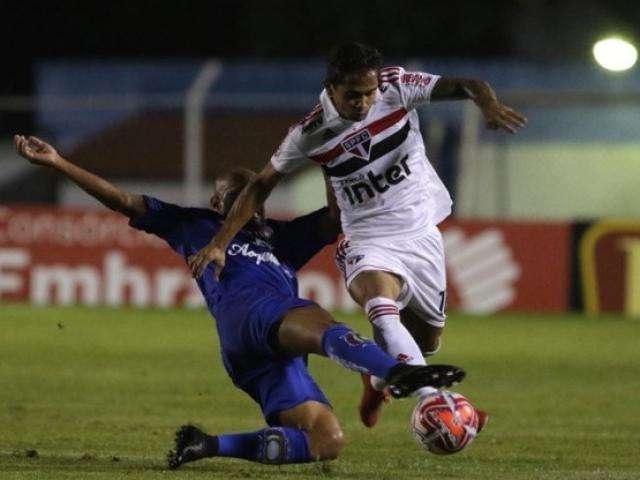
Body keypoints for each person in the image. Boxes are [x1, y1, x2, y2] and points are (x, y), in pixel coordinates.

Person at [14, 134, 465, 469]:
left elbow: (334, 219)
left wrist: (330, 157)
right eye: (237, 195)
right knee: (320, 322)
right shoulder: (194, 226)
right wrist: (58, 163)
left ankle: (207, 445)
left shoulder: (280, 238)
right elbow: (125, 201)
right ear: (218, 200)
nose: (250, 203)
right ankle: (397, 372)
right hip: (250, 317)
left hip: (254, 358)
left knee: (327, 441)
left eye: (256, 196)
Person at [186, 42, 525, 428]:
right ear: (331, 89)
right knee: (382, 312)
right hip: (365, 237)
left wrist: (489, 106)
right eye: (352, 95)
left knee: (427, 342)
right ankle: (437, 404)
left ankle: (377, 376)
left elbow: (470, 84)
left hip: (419, 231)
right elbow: (261, 185)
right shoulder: (309, 132)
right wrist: (219, 242)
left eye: (368, 94)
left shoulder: (396, 86)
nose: (363, 103)